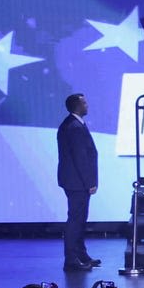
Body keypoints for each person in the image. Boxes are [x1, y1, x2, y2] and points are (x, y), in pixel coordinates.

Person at [55, 91, 102, 269]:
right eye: (84, 103)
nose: (87, 105)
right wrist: (90, 181)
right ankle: (71, 259)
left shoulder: (74, 124)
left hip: (76, 181)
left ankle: (81, 254)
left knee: (80, 219)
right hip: (77, 182)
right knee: (75, 220)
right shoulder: (74, 127)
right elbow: (80, 157)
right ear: (77, 106)